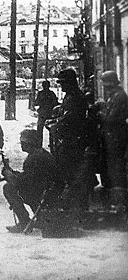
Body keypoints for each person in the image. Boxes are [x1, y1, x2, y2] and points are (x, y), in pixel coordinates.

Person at [47, 68, 89, 209]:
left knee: (72, 176)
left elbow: (70, 119)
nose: (61, 86)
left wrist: (55, 125)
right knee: (70, 175)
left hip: (73, 142)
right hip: (70, 141)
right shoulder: (71, 96)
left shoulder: (75, 97)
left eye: (63, 83)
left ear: (70, 83)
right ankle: (75, 209)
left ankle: (78, 210)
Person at [2, 129, 58, 233]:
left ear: (30, 143)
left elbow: (26, 182)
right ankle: (37, 218)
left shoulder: (35, 158)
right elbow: (29, 177)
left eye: (23, 142)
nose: (21, 145)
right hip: (46, 191)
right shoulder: (39, 154)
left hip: (42, 194)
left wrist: (10, 176)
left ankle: (24, 222)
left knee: (8, 188)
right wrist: (13, 173)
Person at [98, 70, 128, 210]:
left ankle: (119, 203)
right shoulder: (114, 95)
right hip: (111, 138)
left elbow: (112, 118)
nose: (104, 87)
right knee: (111, 169)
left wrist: (99, 113)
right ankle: (115, 201)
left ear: (110, 83)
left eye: (105, 84)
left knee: (116, 170)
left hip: (116, 138)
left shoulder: (119, 96)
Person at [34, 80, 59, 147]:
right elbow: (55, 102)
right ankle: (51, 144)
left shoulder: (40, 93)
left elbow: (37, 102)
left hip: (43, 113)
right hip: (50, 113)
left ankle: (39, 145)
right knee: (51, 129)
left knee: (40, 129)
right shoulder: (51, 93)